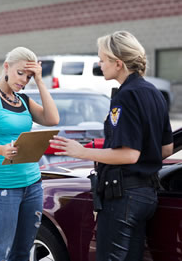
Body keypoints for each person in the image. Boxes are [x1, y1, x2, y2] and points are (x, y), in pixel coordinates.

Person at [50, 31, 174, 260]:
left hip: (124, 197)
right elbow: (166, 149)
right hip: (146, 194)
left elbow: (128, 155)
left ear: (118, 63)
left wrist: (82, 151)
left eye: (103, 59)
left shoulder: (125, 96)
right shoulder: (154, 93)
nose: (100, 64)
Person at [0, 46, 59, 261]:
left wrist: (40, 81)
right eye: (20, 73)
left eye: (28, 76)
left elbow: (53, 119)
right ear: (6, 67)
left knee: (22, 253)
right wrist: (1, 150)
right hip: (2, 186)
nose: (23, 80)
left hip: (32, 185)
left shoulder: (24, 100)